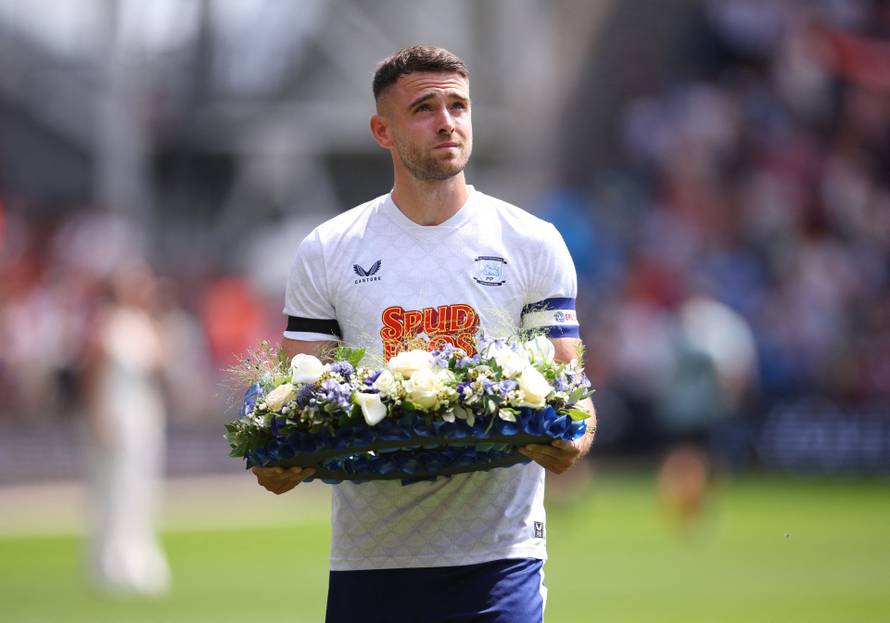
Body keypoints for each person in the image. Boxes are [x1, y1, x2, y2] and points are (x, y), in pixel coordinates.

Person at [252, 45, 596, 623]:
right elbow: (294, 402)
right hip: (371, 561)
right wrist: (278, 457)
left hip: (500, 560)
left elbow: (572, 393)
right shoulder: (329, 251)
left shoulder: (532, 243)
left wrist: (572, 441)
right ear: (382, 131)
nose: (447, 121)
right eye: (425, 108)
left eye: (459, 105)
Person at [82, 261, 171, 596]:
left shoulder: (146, 324)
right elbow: (92, 377)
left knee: (142, 486)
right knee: (114, 487)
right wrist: (98, 417)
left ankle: (140, 555)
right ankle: (112, 560)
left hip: (144, 413)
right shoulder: (106, 325)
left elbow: (162, 365)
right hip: (116, 410)